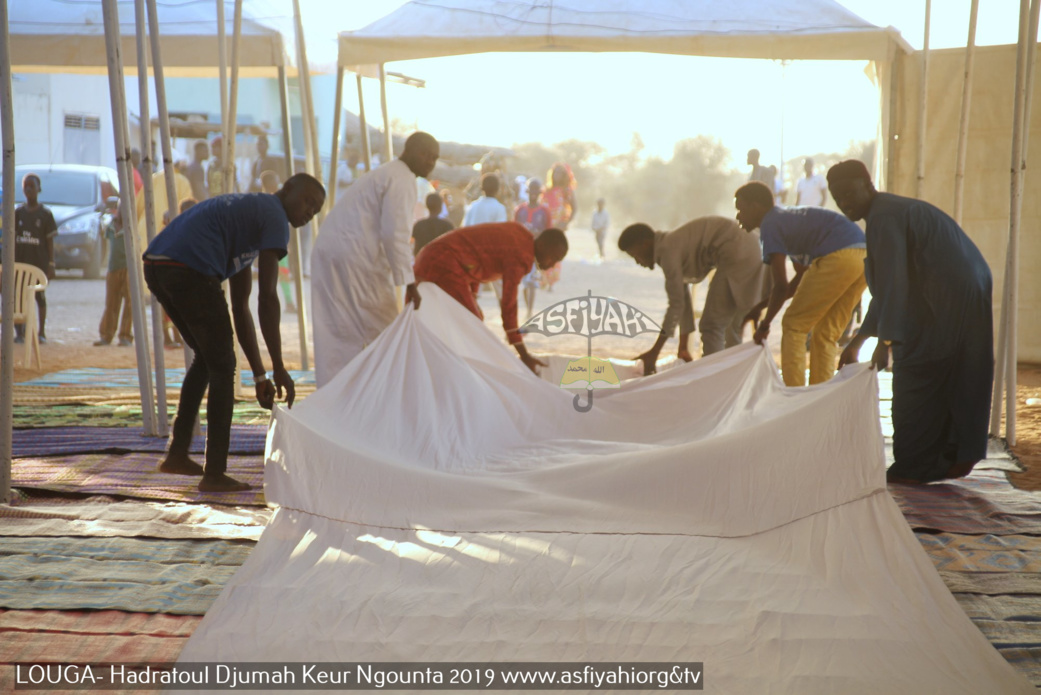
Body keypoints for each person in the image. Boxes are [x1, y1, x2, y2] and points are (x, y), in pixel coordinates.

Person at [142, 173, 325, 492]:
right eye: (308, 201)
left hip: (159, 265)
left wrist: (259, 376)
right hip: (187, 268)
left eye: (316, 210)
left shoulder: (250, 222)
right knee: (223, 367)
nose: (310, 212)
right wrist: (279, 368)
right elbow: (267, 299)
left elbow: (242, 309)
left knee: (209, 358)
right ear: (286, 188)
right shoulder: (274, 216)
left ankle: (177, 454)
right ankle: (214, 473)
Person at [829, 159, 994, 485]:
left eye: (849, 193)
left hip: (945, 297)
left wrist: (884, 342)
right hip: (960, 291)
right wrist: (860, 339)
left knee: (917, 373)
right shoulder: (885, 213)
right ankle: (950, 456)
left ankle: (917, 467)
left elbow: (893, 285)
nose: (845, 202)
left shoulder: (884, 217)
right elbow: (888, 286)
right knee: (952, 374)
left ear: (868, 184)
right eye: (838, 198)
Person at [311, 131, 440, 386]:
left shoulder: (387, 173)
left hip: (333, 252)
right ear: (412, 150)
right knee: (386, 330)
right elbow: (395, 234)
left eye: (434, 158)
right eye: (427, 155)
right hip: (355, 257)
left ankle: (338, 400)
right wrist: (409, 283)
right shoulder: (402, 178)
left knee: (338, 334)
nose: (430, 162)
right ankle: (384, 397)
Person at [735, 181, 866, 387]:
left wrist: (765, 324)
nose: (738, 217)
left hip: (837, 255)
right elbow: (796, 282)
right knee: (825, 333)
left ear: (756, 207)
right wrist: (760, 308)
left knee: (794, 326)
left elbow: (780, 286)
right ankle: (819, 394)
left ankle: (794, 395)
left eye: (740, 209)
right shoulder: (786, 219)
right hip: (863, 257)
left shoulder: (770, 224)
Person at [414, 222, 568, 373]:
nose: (552, 265)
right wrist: (523, 354)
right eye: (553, 258)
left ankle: (448, 366)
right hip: (442, 262)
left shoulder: (521, 235)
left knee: (472, 319)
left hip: (432, 256)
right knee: (473, 324)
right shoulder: (521, 255)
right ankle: (467, 373)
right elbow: (508, 305)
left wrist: (472, 296)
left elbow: (477, 256)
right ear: (542, 246)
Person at [619, 218, 767, 374]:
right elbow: (683, 299)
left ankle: (713, 379)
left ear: (645, 244)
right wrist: (683, 347)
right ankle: (734, 377)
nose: (637, 261)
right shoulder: (671, 243)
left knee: (711, 326)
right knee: (732, 326)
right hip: (754, 248)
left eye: (635, 254)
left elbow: (676, 305)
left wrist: (654, 352)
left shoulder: (668, 250)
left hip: (737, 251)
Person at [11, 173, 57, 344]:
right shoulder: (18, 213)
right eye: (26, 186)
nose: (29, 190)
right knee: (18, 297)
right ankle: (20, 332)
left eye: (32, 186)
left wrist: (51, 264)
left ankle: (41, 332)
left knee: (39, 296)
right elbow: (12, 239)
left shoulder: (45, 214)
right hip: (21, 263)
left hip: (38, 263)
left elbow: (50, 241)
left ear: (39, 189)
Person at [93, 204, 133, 347]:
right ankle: (106, 335)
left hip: (129, 268)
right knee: (111, 303)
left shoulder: (131, 227)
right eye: (122, 208)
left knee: (130, 303)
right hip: (113, 268)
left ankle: (125, 336)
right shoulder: (110, 227)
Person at [514, 178, 551, 319]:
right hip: (522, 249)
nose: (533, 194)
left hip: (537, 250)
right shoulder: (520, 210)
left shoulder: (544, 211)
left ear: (540, 193)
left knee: (532, 282)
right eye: (531, 191)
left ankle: (529, 311)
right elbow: (514, 229)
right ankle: (528, 308)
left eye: (536, 191)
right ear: (528, 192)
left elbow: (548, 232)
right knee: (525, 283)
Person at [261, 171, 297, 313]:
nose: (277, 184)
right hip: (274, 244)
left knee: (281, 274)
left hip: (277, 243)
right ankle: (286, 303)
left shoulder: (269, 199)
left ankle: (288, 302)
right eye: (275, 181)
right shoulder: (272, 200)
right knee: (279, 275)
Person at [541, 163, 576, 289]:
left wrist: (566, 222)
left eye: (560, 174)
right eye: (555, 173)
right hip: (545, 226)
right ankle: (544, 279)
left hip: (558, 227)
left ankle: (551, 282)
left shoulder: (567, 190)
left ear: (565, 176)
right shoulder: (546, 190)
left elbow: (574, 208)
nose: (557, 176)